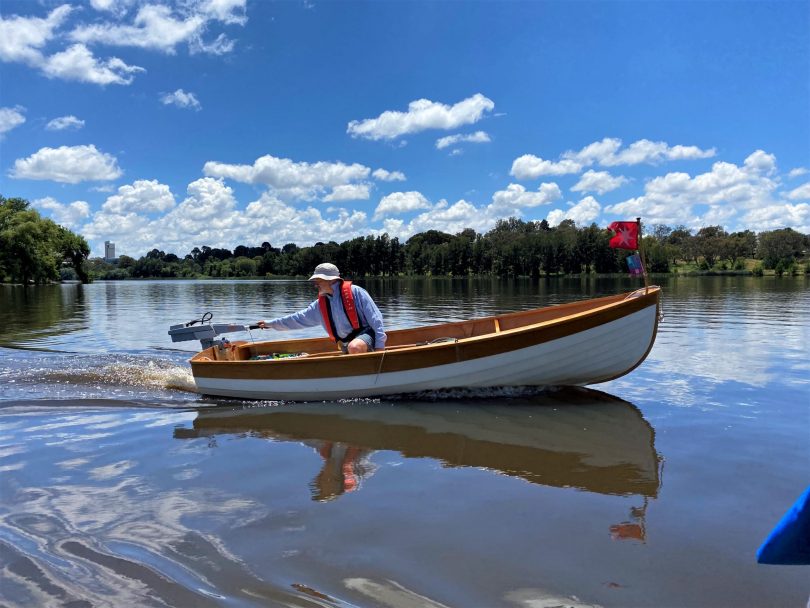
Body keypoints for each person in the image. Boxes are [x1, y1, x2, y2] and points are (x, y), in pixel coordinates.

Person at [257, 263, 386, 353]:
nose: (315, 285)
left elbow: (377, 320)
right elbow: (296, 319)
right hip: (347, 344)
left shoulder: (356, 292)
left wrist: (380, 348)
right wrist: (270, 324)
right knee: (352, 347)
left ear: (331, 280)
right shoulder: (320, 305)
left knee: (354, 347)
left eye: (318, 280)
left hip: (367, 336)